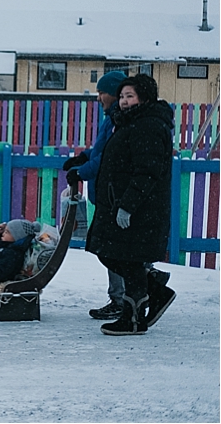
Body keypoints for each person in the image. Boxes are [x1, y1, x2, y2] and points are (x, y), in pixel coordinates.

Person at [86, 73, 176, 335]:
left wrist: (128, 205)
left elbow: (146, 172)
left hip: (139, 210)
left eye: (130, 96)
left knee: (127, 260)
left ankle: (133, 319)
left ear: (144, 98)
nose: (124, 102)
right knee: (111, 253)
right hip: (118, 204)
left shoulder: (148, 125)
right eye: (122, 96)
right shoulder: (129, 122)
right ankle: (155, 290)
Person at [63, 70, 128, 319]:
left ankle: (126, 296)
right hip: (106, 195)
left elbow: (107, 159)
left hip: (112, 196)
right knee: (111, 249)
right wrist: (83, 158)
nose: (98, 97)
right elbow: (100, 151)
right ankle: (130, 292)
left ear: (112, 93)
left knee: (110, 249)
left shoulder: (117, 120)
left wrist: (82, 172)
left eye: (102, 92)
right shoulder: (109, 119)